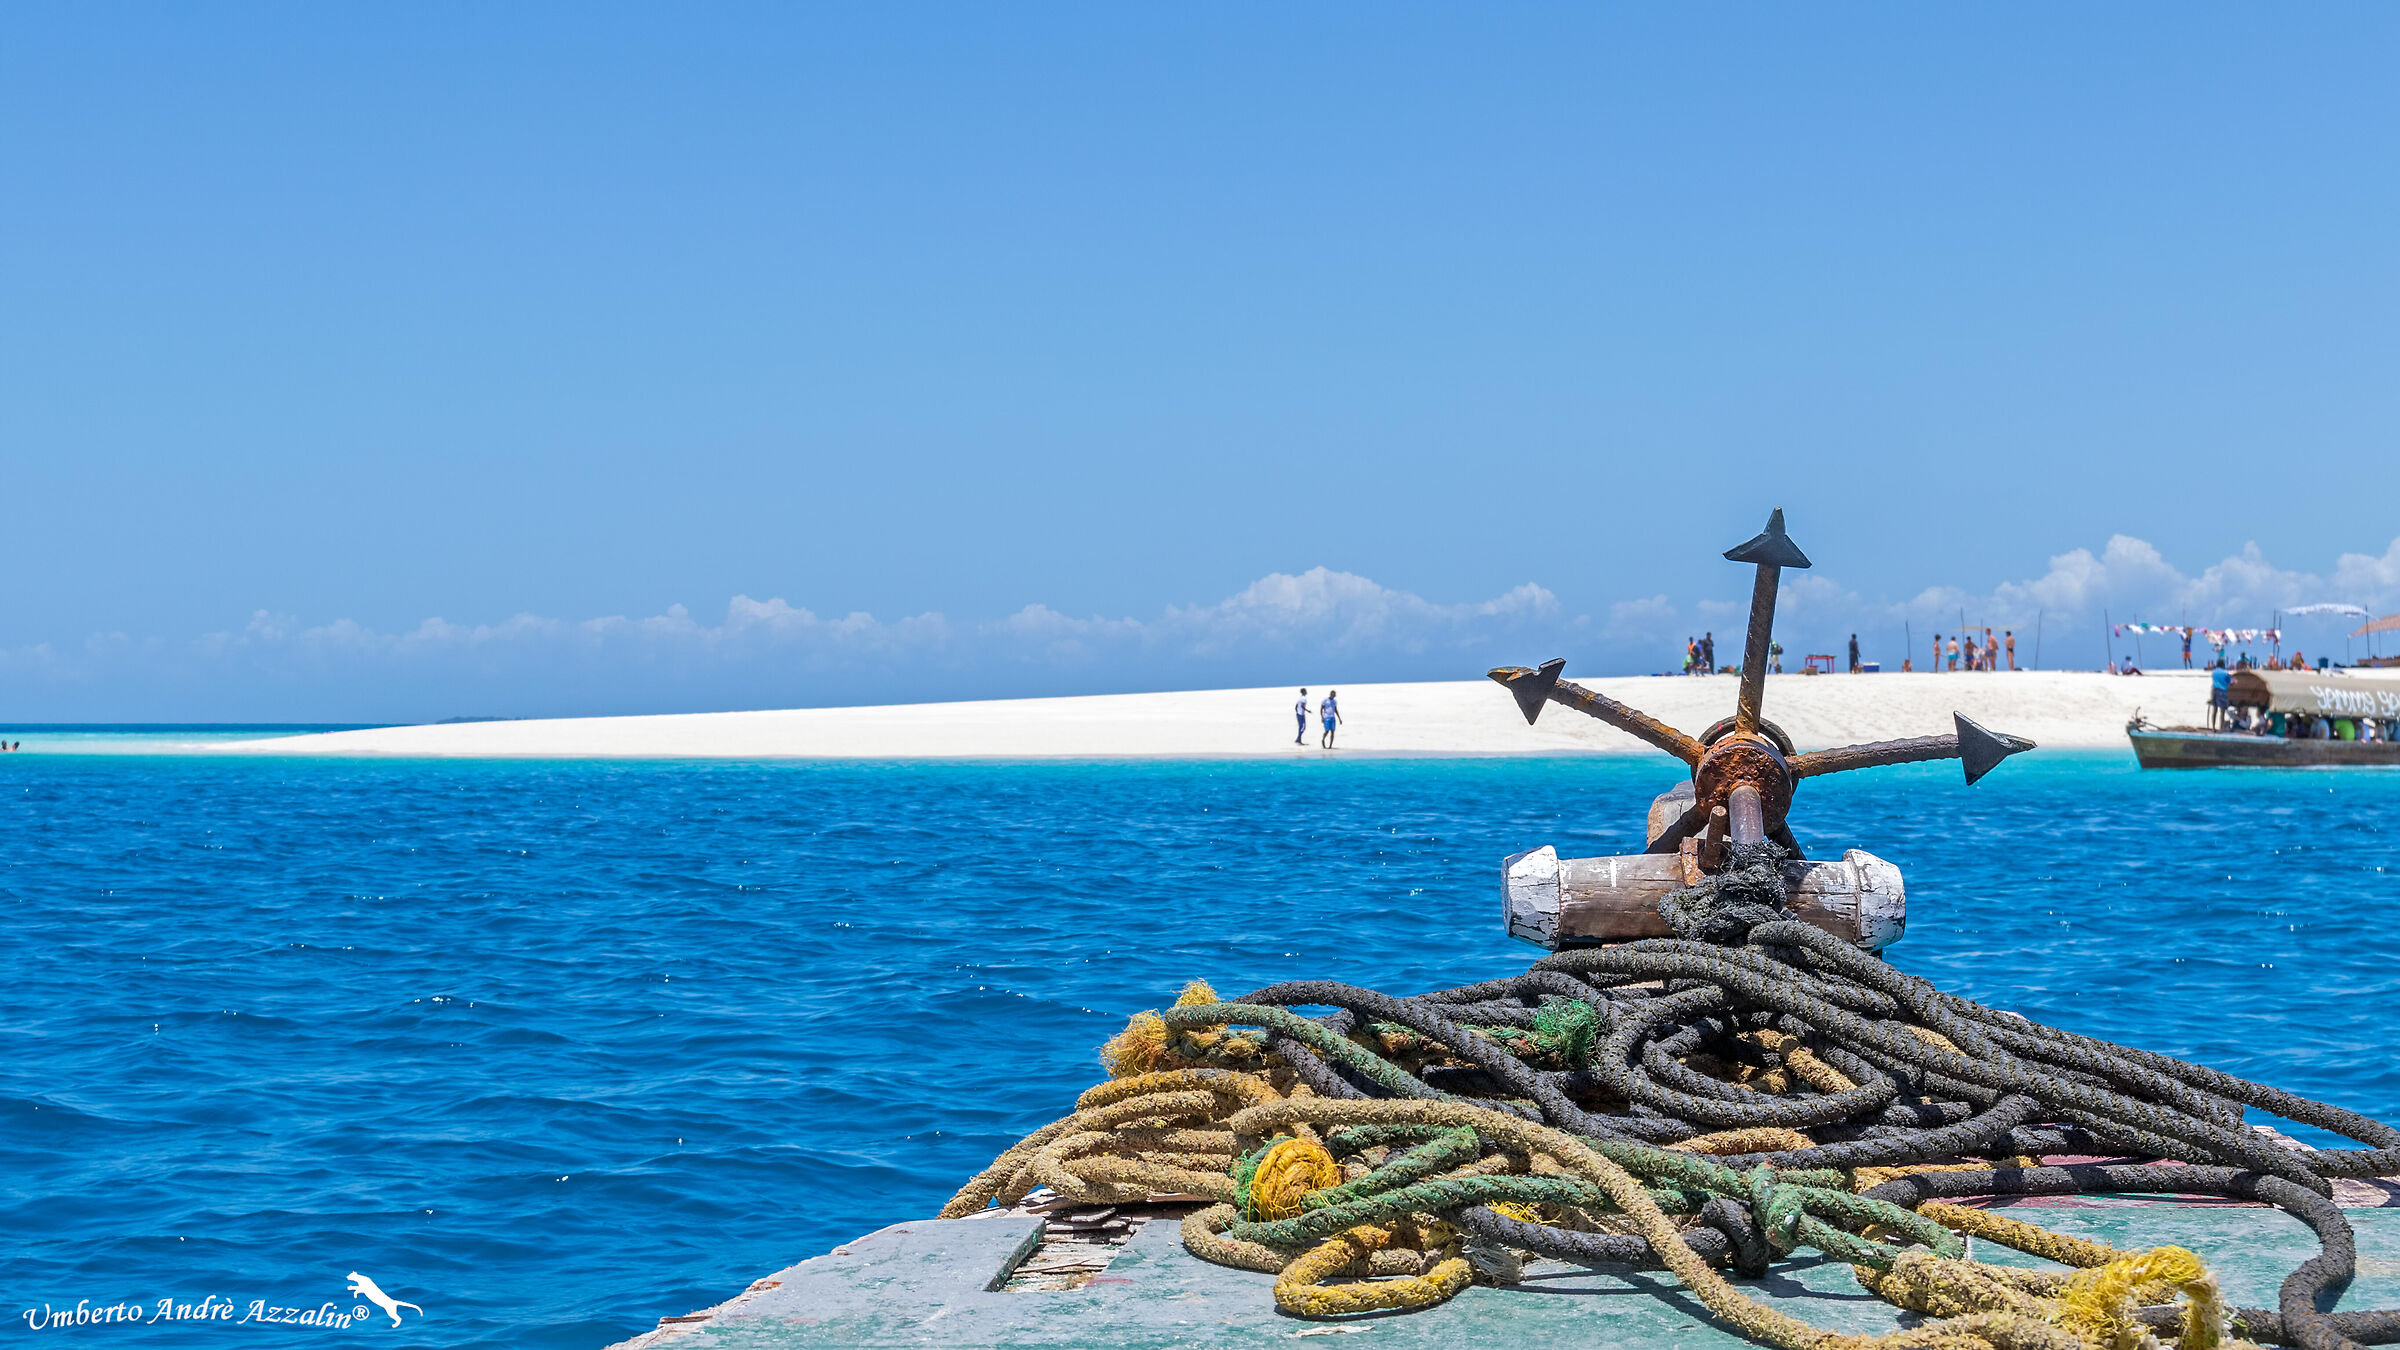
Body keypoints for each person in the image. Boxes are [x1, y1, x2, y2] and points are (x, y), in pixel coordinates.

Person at [2209, 662, 2231, 729]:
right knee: (2222, 711)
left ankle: (2213, 727)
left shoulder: (2214, 672)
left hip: (2214, 691)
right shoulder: (2225, 672)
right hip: (2222, 691)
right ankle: (2220, 728)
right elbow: (2230, 681)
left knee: (2214, 710)